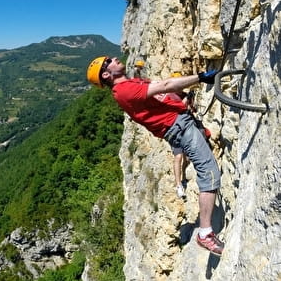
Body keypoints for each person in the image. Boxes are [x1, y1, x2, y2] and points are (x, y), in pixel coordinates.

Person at [86, 56, 224, 256]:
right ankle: (205, 233)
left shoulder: (130, 82)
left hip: (180, 122)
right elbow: (166, 85)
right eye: (109, 61)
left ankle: (206, 226)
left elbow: (163, 96)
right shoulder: (123, 91)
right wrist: (201, 77)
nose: (114, 58)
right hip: (179, 128)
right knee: (209, 173)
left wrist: (182, 100)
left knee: (205, 159)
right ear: (106, 74)